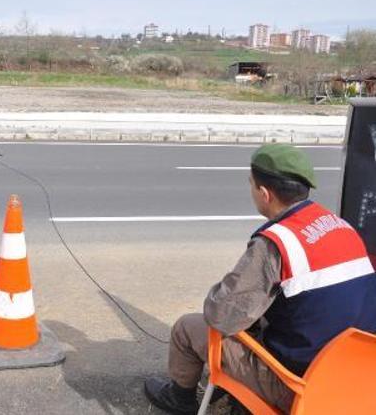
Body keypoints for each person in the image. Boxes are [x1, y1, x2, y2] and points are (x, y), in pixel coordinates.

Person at [144, 144, 376, 414]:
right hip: (358, 377)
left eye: (251, 184)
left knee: (187, 328)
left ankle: (180, 400)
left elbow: (221, 316)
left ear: (264, 194)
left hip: (301, 387)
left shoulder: (276, 244)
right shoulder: (341, 225)